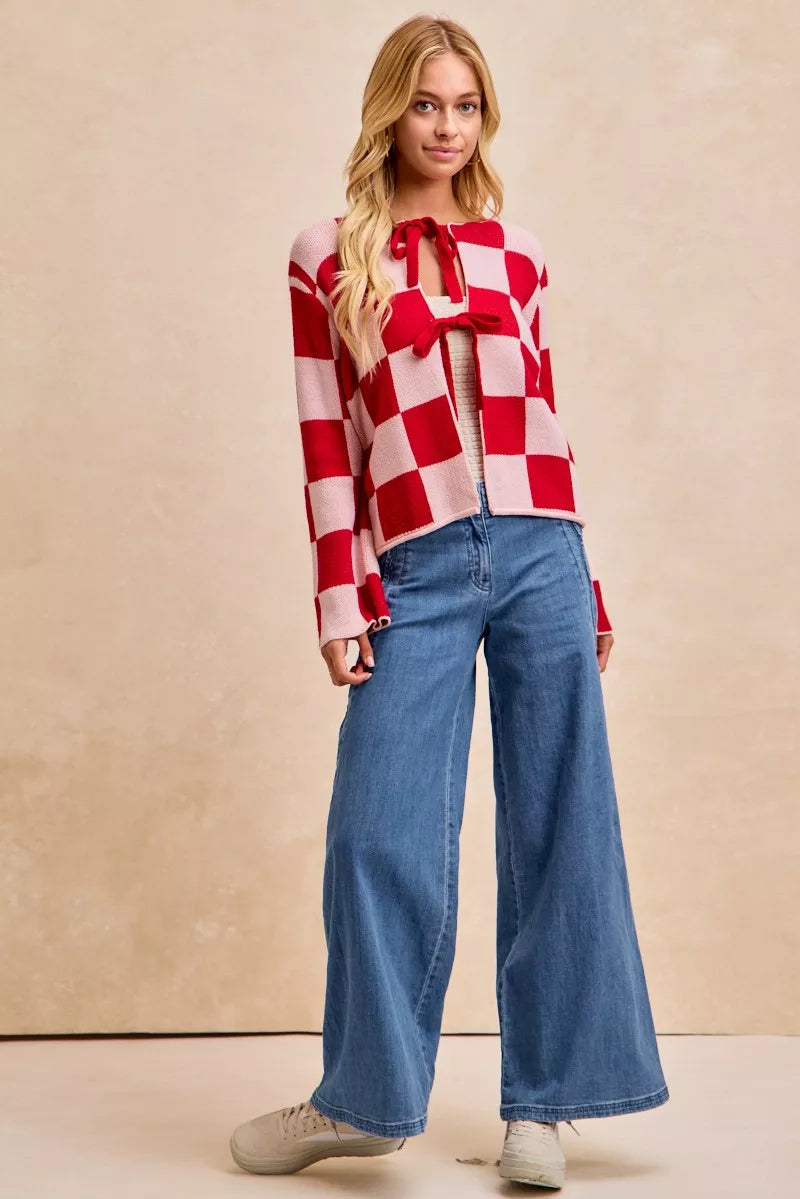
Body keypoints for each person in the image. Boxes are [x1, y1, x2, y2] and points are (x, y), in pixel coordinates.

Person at [230, 14, 669, 1188]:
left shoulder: (517, 253)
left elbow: (547, 422)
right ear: (389, 110)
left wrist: (589, 585)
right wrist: (339, 593)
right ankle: (362, 1096)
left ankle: (546, 1103)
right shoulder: (323, 254)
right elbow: (327, 440)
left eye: (465, 105)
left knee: (560, 820)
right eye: (426, 103)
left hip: (539, 551)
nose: (445, 126)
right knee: (377, 826)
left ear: (483, 119)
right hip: (414, 564)